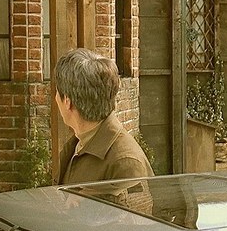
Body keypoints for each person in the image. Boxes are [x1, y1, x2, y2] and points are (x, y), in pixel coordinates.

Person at [52, 48, 154, 185]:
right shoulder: (77, 144)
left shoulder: (126, 163)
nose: (55, 98)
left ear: (67, 101)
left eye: (57, 92)